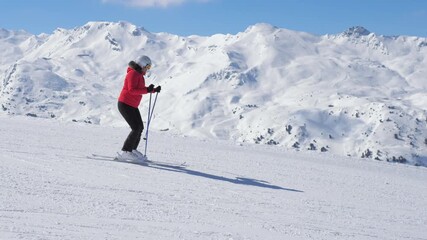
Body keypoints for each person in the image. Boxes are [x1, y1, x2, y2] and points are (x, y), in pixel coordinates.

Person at [117, 55, 161, 162]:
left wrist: (153, 90)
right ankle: (126, 151)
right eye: (147, 66)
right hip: (125, 104)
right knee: (135, 128)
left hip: (132, 105)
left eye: (149, 67)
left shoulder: (139, 75)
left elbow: (140, 89)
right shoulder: (132, 74)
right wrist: (147, 90)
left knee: (140, 127)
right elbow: (132, 90)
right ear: (141, 64)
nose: (148, 69)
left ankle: (132, 149)